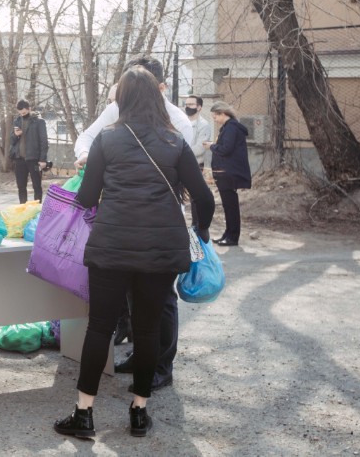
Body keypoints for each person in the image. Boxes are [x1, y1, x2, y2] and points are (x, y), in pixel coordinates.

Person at [54, 66, 215, 439]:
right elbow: (204, 198)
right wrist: (200, 232)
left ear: (122, 99)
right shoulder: (175, 142)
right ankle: (139, 412)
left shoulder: (107, 140)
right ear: (157, 98)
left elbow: (87, 198)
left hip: (111, 248)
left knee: (100, 327)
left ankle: (83, 413)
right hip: (160, 252)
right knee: (147, 330)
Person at [73, 56, 191, 390]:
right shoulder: (116, 113)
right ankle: (140, 358)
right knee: (128, 296)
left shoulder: (180, 123)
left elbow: (181, 181)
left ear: (161, 88)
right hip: (123, 225)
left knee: (160, 301)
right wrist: (86, 155)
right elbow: (89, 137)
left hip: (159, 228)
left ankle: (160, 365)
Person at [204, 101, 252, 247]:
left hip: (229, 172)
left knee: (230, 206)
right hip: (227, 172)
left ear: (223, 113)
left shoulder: (231, 127)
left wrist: (211, 146)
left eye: (215, 116)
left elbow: (226, 149)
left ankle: (232, 237)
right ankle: (228, 234)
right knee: (228, 205)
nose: (214, 119)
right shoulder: (228, 127)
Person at [9, 99, 49, 204]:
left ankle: (37, 210)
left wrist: (43, 159)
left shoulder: (39, 122)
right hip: (19, 159)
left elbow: (44, 141)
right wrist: (15, 135)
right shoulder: (17, 121)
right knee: (21, 186)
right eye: (21, 113)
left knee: (37, 186)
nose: (23, 115)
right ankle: (23, 209)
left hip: (34, 159)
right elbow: (11, 141)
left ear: (29, 109)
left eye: (25, 113)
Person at [184, 95, 213, 228]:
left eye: (191, 104)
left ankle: (197, 225)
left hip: (195, 164)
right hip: (180, 162)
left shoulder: (204, 125)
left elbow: (201, 148)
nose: (187, 106)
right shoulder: (182, 122)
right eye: (186, 104)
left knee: (195, 196)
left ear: (199, 107)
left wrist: (182, 152)